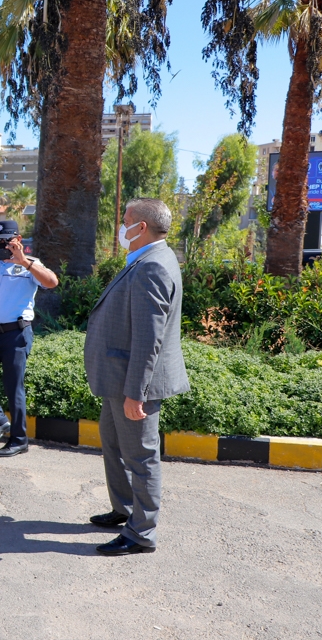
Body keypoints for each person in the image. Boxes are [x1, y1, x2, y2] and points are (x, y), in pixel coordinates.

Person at [84, 198, 189, 556]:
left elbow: (149, 338)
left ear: (140, 226)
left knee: (141, 457)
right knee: (114, 446)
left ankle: (141, 533)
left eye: (125, 220)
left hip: (131, 381)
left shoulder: (152, 266)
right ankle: (124, 509)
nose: (121, 225)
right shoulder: (149, 259)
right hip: (118, 376)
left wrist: (136, 393)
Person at [0, 220, 58, 456]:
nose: (3, 245)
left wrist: (24, 262)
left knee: (13, 388)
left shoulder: (30, 264)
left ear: (18, 239)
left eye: (7, 240)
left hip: (16, 334)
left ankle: (19, 440)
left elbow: (52, 282)